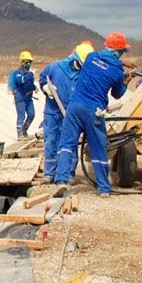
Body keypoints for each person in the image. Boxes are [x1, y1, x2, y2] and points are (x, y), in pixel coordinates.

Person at [54, 33, 133, 198]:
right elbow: (117, 94)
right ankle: (104, 188)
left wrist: (121, 64)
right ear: (119, 52)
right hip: (93, 111)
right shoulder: (117, 72)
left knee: (67, 144)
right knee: (98, 148)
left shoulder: (90, 57)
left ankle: (61, 180)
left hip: (74, 106)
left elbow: (101, 64)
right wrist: (125, 83)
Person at [38, 42, 93, 182]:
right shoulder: (55, 68)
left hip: (71, 115)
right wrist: (45, 87)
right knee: (51, 141)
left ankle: (69, 173)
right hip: (52, 112)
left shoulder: (84, 75)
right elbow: (42, 78)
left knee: (70, 143)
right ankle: (49, 173)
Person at [9, 51, 36, 139]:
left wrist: (34, 88)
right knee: (21, 116)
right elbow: (20, 81)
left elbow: (30, 83)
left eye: (30, 62)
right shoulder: (18, 73)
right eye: (27, 62)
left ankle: (24, 131)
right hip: (20, 98)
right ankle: (20, 134)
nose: (29, 64)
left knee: (31, 114)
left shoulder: (30, 73)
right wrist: (30, 74)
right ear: (22, 62)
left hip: (29, 98)